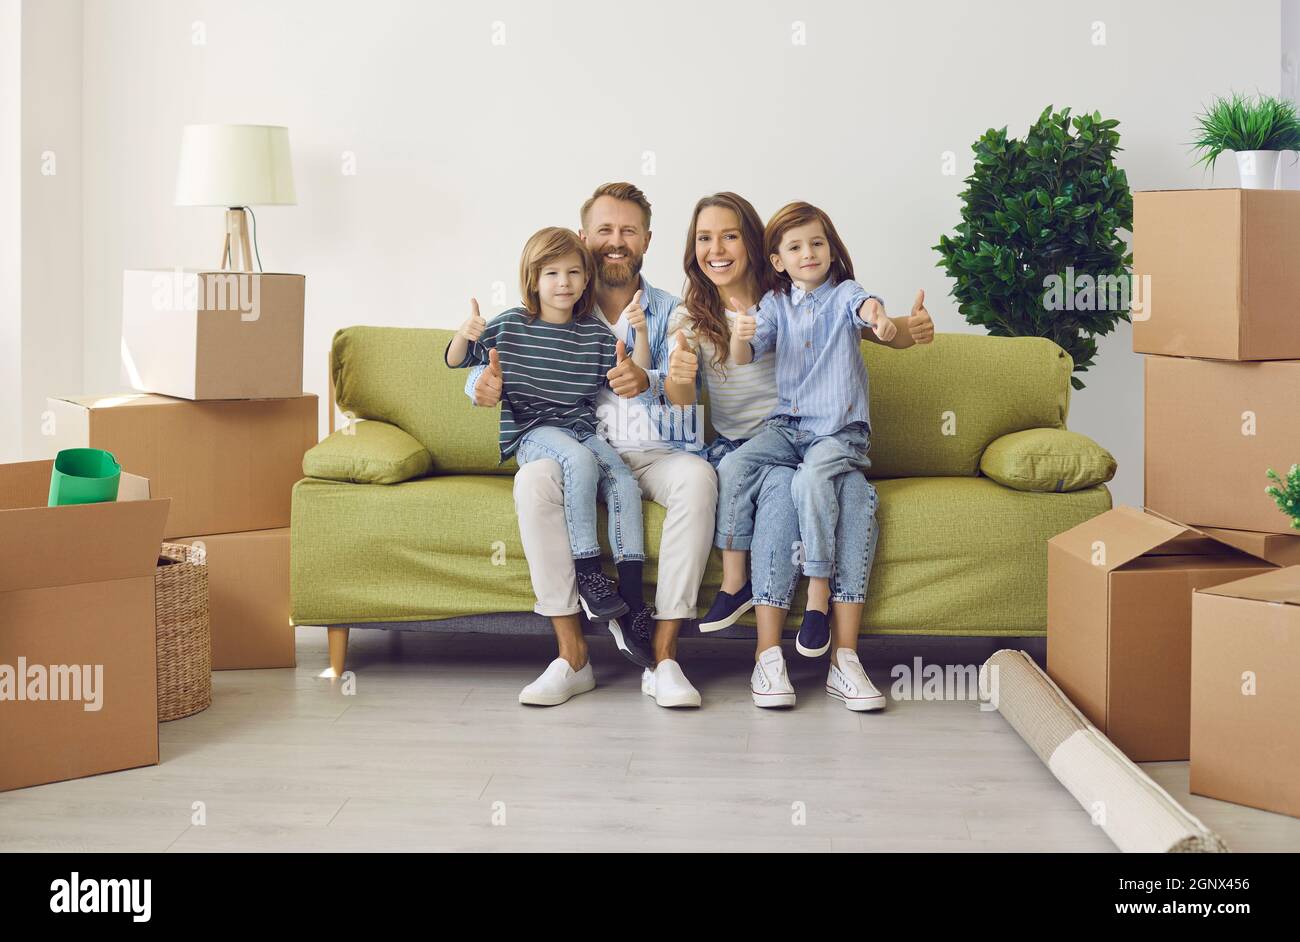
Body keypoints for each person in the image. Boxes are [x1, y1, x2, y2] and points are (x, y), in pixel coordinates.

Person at [678, 195, 934, 710]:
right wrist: (726, 346)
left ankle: (845, 656)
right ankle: (765, 646)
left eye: (729, 236)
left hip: (835, 438)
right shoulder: (726, 313)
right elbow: (703, 381)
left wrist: (903, 326)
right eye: (705, 239)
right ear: (779, 255)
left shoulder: (818, 291)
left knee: (854, 499)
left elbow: (874, 321)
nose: (718, 249)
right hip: (779, 438)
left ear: (752, 247)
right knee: (775, 483)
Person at [466, 183, 716, 709]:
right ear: (584, 237)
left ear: (647, 240)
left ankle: (663, 658)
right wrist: (477, 387)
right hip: (577, 451)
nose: (616, 241)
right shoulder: (555, 303)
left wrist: (653, 382)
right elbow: (494, 361)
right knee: (533, 478)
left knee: (699, 476)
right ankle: (572, 657)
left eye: (628, 231)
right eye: (604, 230)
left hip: (652, 455)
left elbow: (688, 418)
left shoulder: (676, 313)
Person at [445, 228, 648, 675]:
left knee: (623, 480)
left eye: (574, 272)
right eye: (552, 273)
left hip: (579, 426)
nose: (564, 282)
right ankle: (590, 573)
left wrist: (631, 370)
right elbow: (463, 362)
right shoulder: (511, 325)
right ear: (533, 280)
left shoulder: (593, 333)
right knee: (575, 461)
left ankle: (633, 600)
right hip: (532, 429)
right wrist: (465, 338)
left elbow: (625, 380)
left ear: (586, 279)